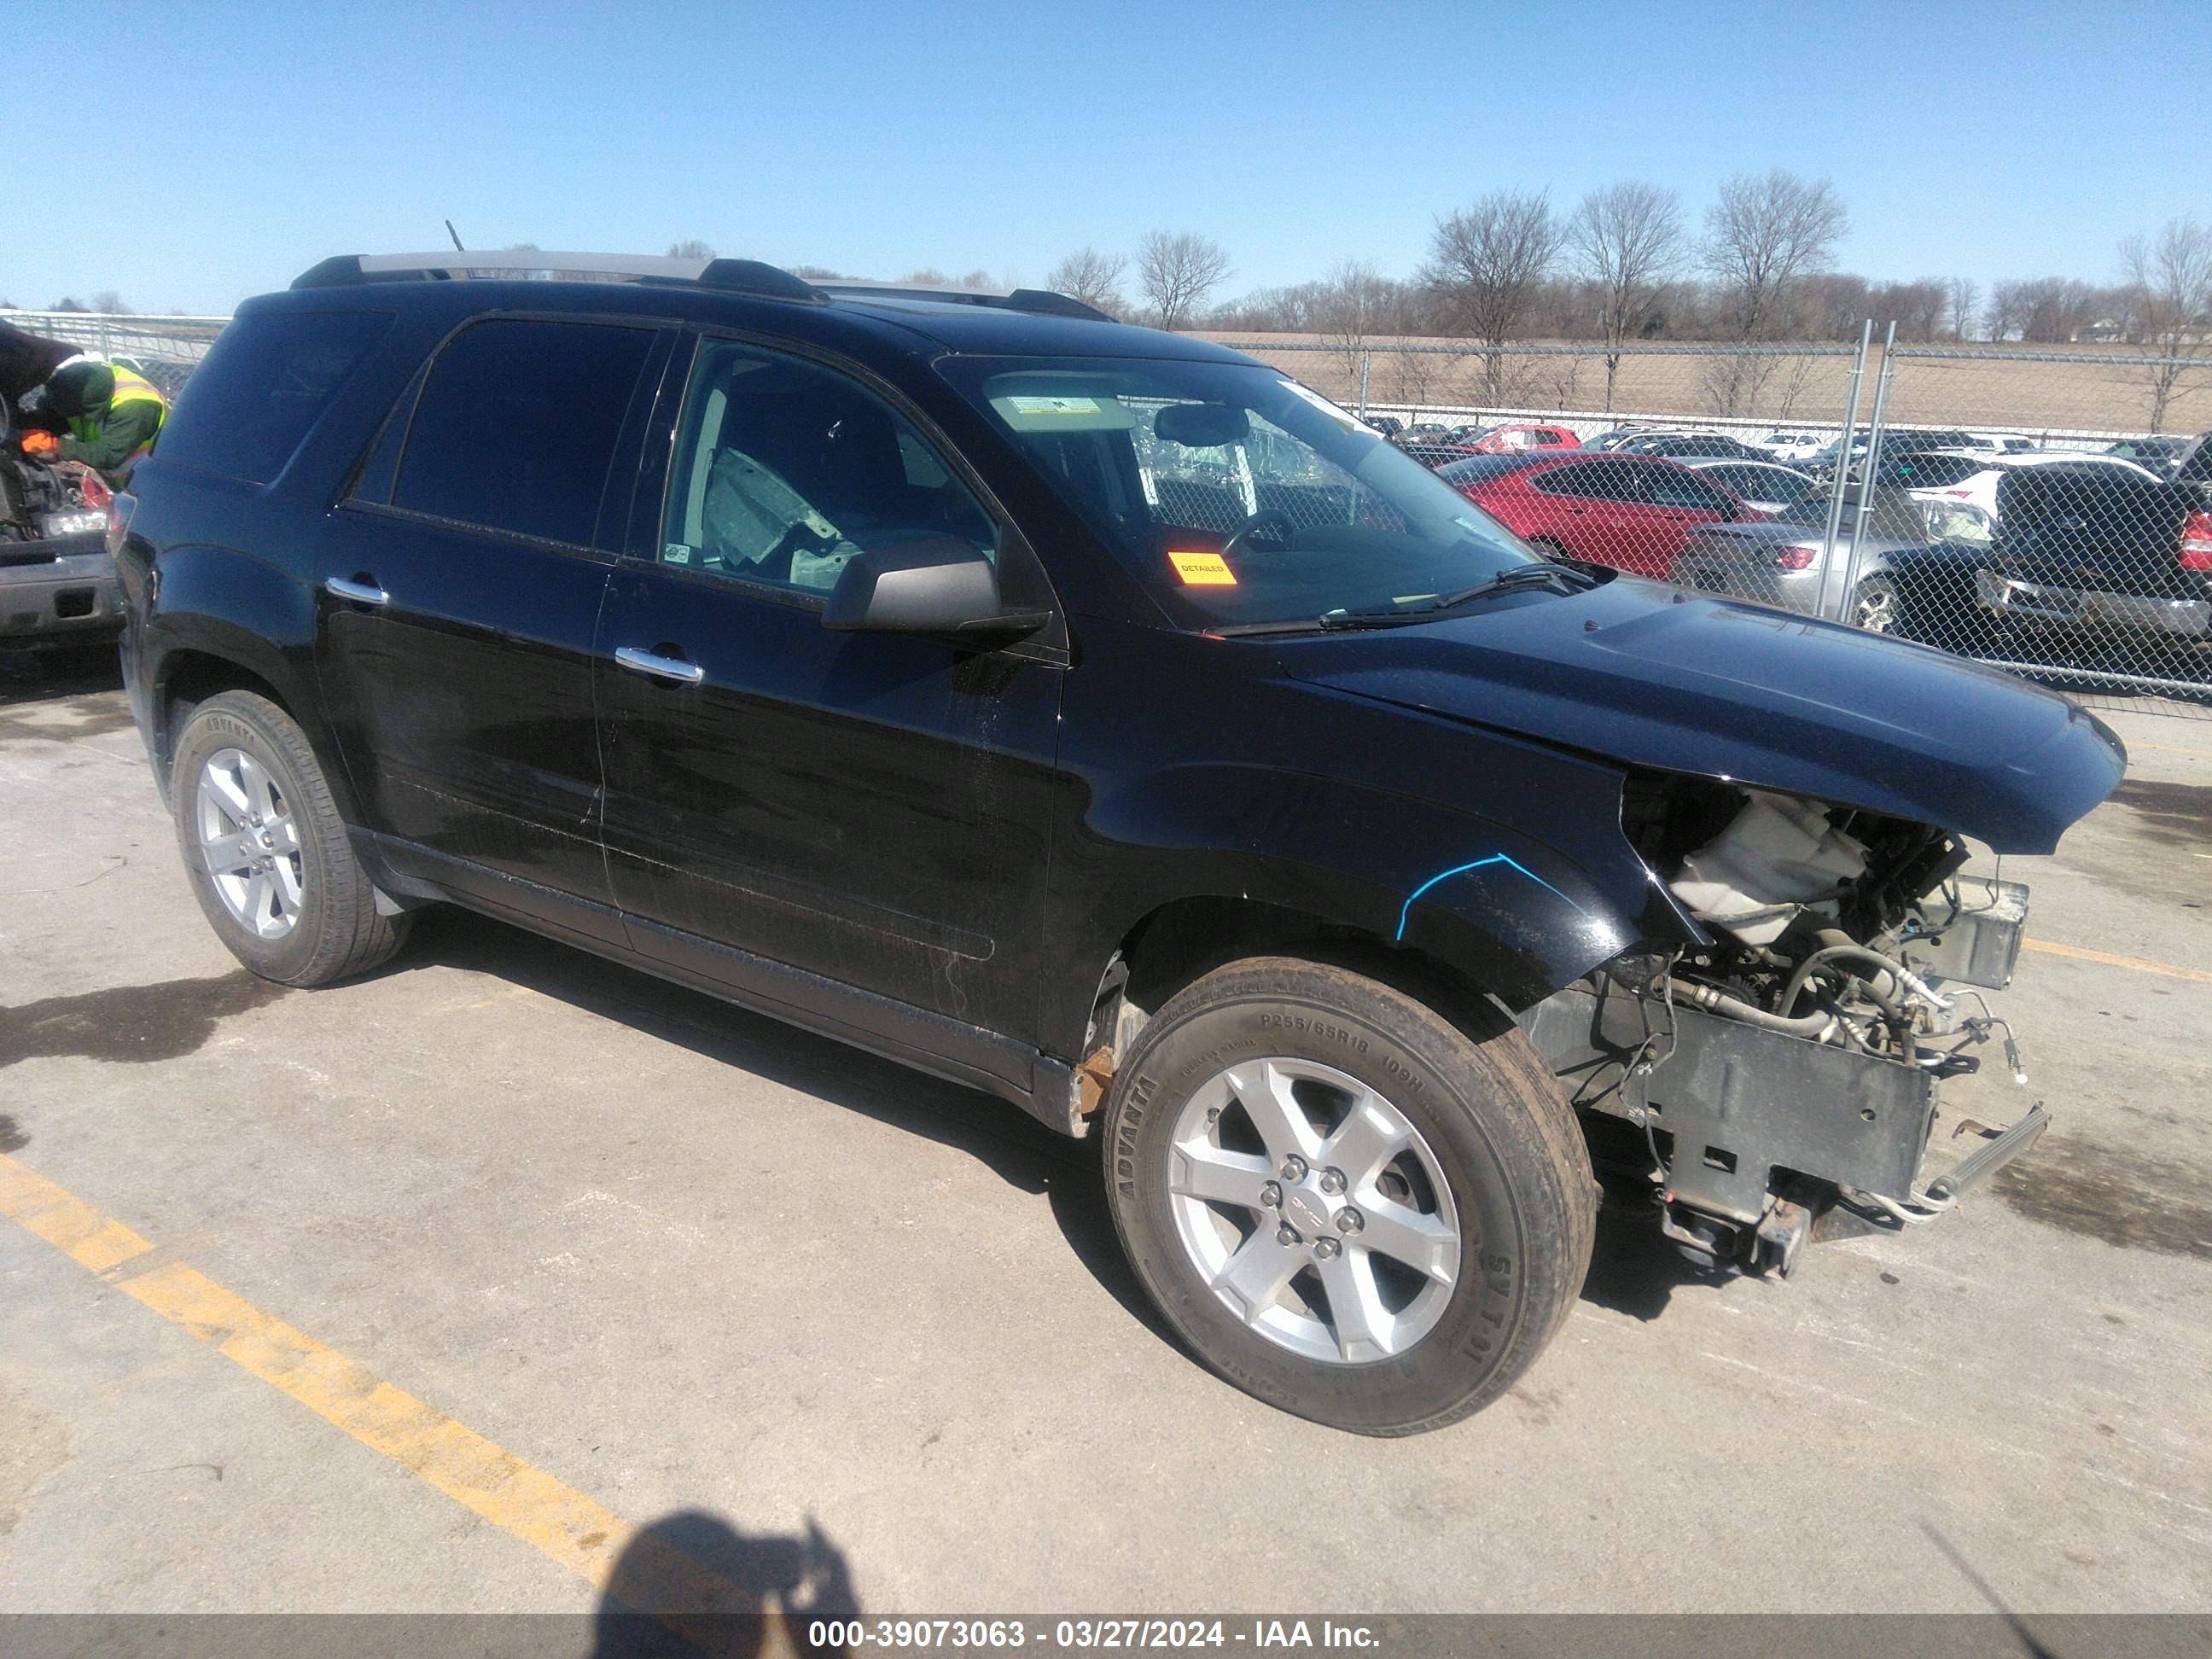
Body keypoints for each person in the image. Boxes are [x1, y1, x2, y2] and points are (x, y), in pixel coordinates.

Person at [18, 357, 168, 486]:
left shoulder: (136, 407)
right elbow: (58, 418)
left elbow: (110, 454)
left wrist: (57, 446)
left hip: (155, 484)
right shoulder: (80, 382)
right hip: (121, 485)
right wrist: (27, 430)